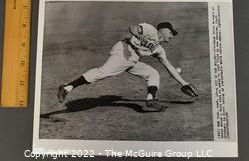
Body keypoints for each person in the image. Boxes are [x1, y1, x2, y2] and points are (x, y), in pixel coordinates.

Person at [58, 21, 198, 112]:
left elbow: (169, 66)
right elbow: (132, 28)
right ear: (162, 30)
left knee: (153, 73)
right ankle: (67, 87)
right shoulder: (150, 29)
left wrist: (183, 83)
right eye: (171, 32)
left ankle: (150, 100)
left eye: (173, 34)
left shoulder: (159, 50)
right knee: (104, 72)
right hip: (124, 50)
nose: (172, 35)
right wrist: (140, 36)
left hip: (132, 59)